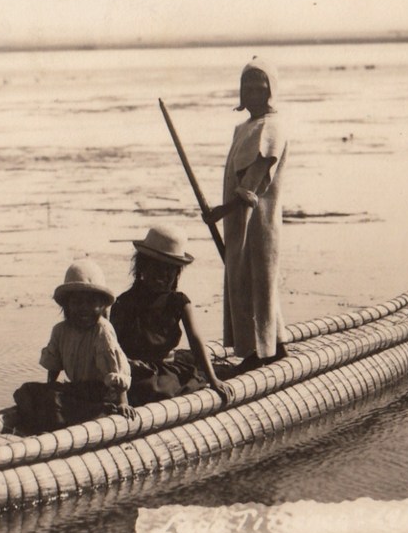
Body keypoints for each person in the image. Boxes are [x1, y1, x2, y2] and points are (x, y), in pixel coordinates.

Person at [204, 57, 289, 374]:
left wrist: (220, 212)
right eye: (247, 86)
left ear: (271, 90)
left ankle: (260, 351)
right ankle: (275, 343)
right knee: (243, 279)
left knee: (258, 281)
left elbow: (253, 182)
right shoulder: (244, 127)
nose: (252, 91)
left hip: (258, 223)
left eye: (259, 85)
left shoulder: (271, 127)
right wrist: (224, 214)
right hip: (238, 222)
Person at [110, 226, 232, 406]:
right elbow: (111, 346)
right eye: (157, 267)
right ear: (142, 267)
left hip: (165, 371)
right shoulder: (124, 302)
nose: (164, 275)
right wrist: (128, 363)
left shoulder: (179, 302)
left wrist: (213, 379)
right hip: (133, 371)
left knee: (158, 389)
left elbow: (196, 341)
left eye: (171, 269)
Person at [12, 259, 135, 434]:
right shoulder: (60, 330)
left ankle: (99, 412)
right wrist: (50, 389)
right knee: (26, 392)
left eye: (92, 303)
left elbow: (115, 369)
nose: (84, 309)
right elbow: (54, 364)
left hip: (100, 393)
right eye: (77, 302)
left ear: (101, 306)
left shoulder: (102, 330)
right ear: (67, 305)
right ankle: (54, 416)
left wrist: (123, 402)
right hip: (77, 390)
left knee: (57, 405)